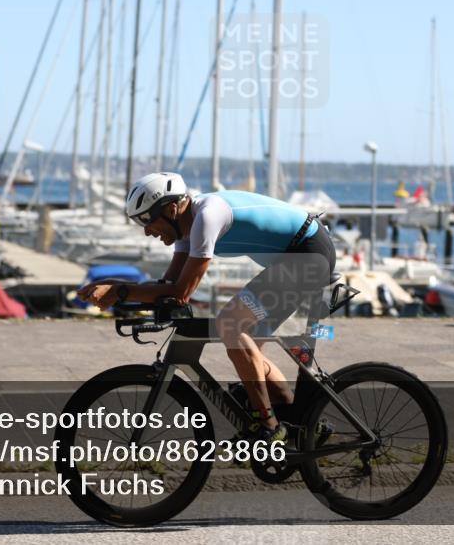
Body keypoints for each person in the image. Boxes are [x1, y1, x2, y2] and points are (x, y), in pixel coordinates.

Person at [78, 172, 336, 443]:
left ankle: (268, 426)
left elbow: (180, 293)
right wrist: (116, 287)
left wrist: (122, 290)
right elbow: (170, 285)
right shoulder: (185, 229)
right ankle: (295, 422)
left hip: (309, 254)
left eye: (146, 219)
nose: (146, 230)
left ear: (171, 209)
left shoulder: (207, 217)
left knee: (230, 325)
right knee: (250, 351)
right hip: (292, 258)